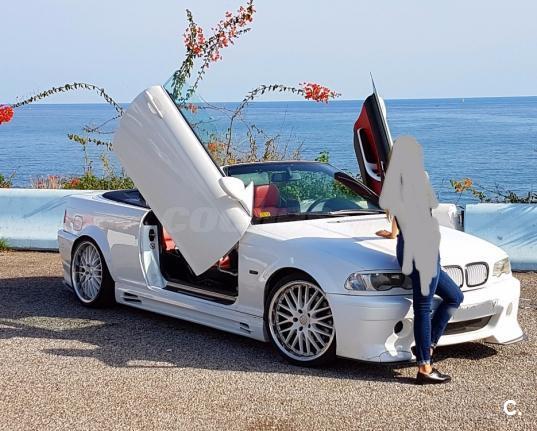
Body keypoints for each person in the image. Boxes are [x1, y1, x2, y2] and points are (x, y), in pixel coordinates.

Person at [375, 136, 464, 385]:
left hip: (407, 247)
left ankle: (428, 346)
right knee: (423, 308)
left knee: (455, 296)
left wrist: (392, 233)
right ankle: (424, 366)